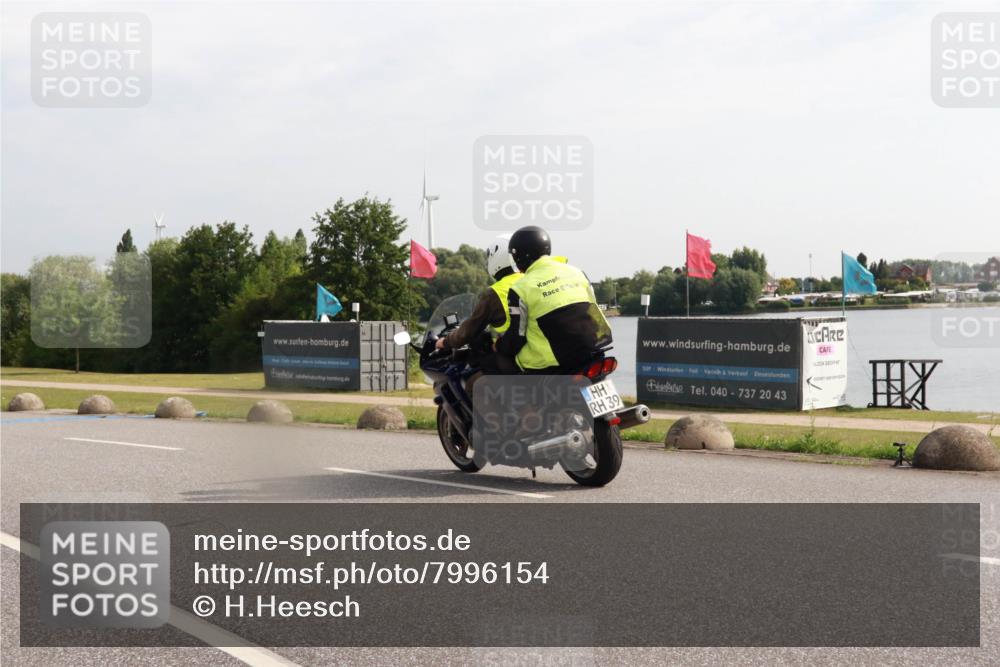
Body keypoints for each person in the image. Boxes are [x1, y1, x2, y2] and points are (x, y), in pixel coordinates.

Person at [496, 226, 611, 373]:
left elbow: (517, 336)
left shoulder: (520, 288)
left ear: (519, 256)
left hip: (552, 364)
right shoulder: (577, 272)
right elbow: (592, 307)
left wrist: (500, 346)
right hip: (593, 350)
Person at [434, 235, 522, 369]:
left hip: (512, 359)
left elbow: (469, 330)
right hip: (537, 356)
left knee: (471, 381)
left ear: (496, 258)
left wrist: (445, 342)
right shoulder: (530, 280)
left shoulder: (494, 293)